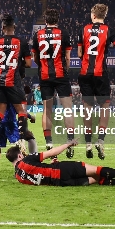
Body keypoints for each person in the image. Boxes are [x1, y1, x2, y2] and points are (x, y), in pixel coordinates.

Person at [77, 3, 115, 159]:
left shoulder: (84, 29)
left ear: (93, 15)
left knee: (87, 108)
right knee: (105, 107)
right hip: (101, 73)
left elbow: (80, 53)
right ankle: (100, 140)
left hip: (85, 73)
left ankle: (88, 143)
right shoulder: (109, 30)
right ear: (104, 16)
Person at [0, 13, 32, 157]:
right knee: (21, 111)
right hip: (13, 80)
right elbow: (29, 63)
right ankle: (22, 141)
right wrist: (17, 64)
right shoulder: (21, 42)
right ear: (14, 27)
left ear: (3, 27)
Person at [6, 139, 115, 187]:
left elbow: (38, 173)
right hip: (62, 169)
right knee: (95, 170)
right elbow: (51, 152)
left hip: (61, 183)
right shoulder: (27, 160)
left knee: (94, 179)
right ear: (19, 155)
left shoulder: (18, 177)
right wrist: (68, 144)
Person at [31, 8, 75, 154]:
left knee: (47, 110)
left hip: (44, 76)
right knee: (67, 109)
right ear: (57, 20)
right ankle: (70, 142)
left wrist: (42, 66)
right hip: (61, 75)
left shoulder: (38, 35)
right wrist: (65, 70)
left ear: (45, 20)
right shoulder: (64, 33)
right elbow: (67, 58)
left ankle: (49, 142)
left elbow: (35, 58)